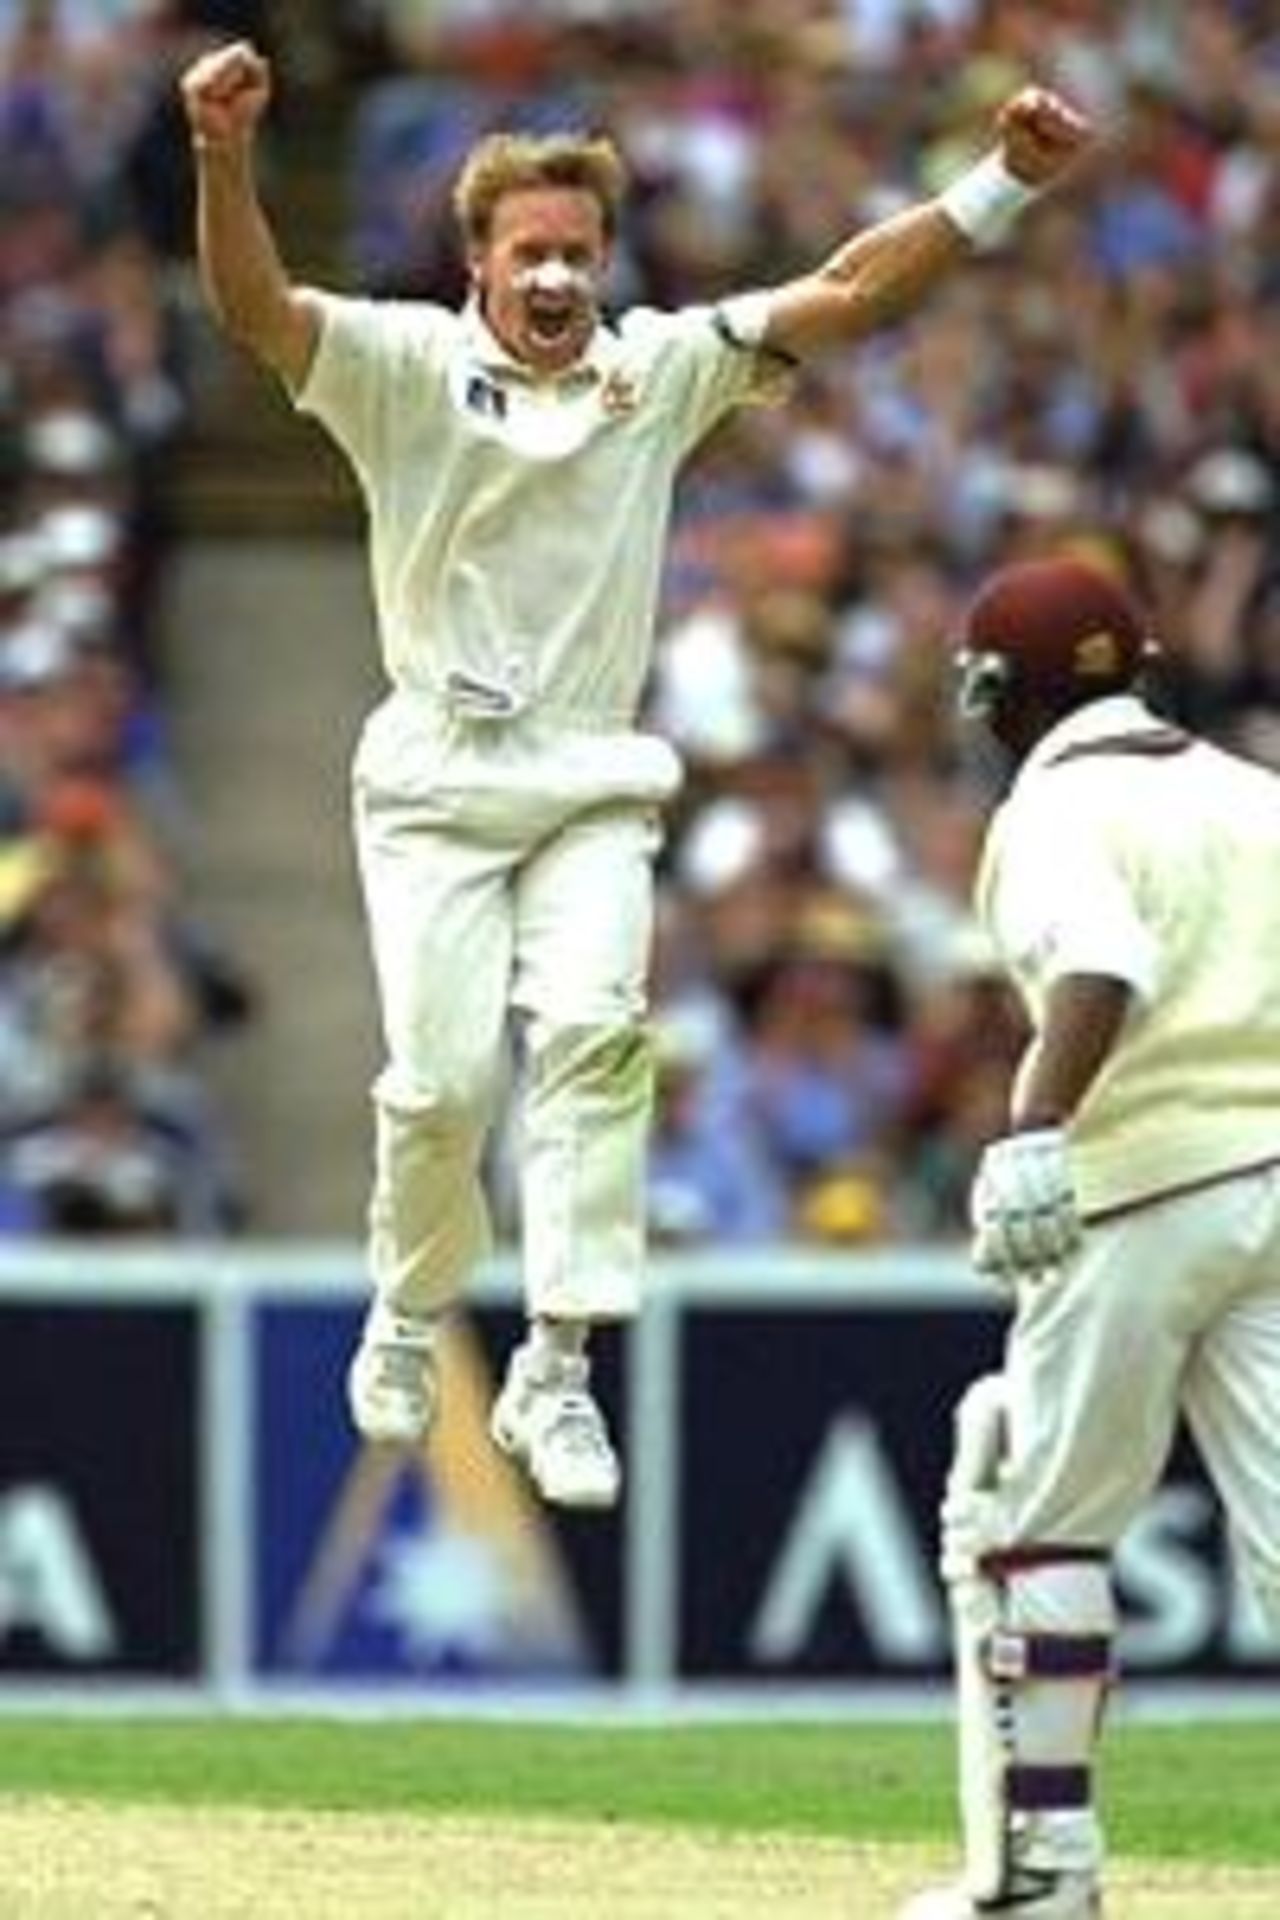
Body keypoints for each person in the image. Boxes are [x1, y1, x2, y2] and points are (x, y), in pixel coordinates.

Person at [178, 38, 1091, 1512]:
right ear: (475, 259)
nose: (555, 278)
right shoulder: (405, 367)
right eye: (530, 250)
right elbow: (253, 310)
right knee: (440, 1084)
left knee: (599, 1040)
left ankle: (557, 1362)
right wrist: (224, 158)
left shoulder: (653, 369)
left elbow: (850, 292)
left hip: (593, 775)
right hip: (433, 780)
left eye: (579, 252)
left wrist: (1002, 182)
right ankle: (409, 1314)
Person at [902, 555, 1280, 1919]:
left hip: (1136, 1189)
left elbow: (1100, 961)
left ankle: (1047, 1871)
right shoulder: (1255, 792)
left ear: (1001, 691)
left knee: (1043, 1530)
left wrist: (1037, 1121)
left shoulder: (1053, 809)